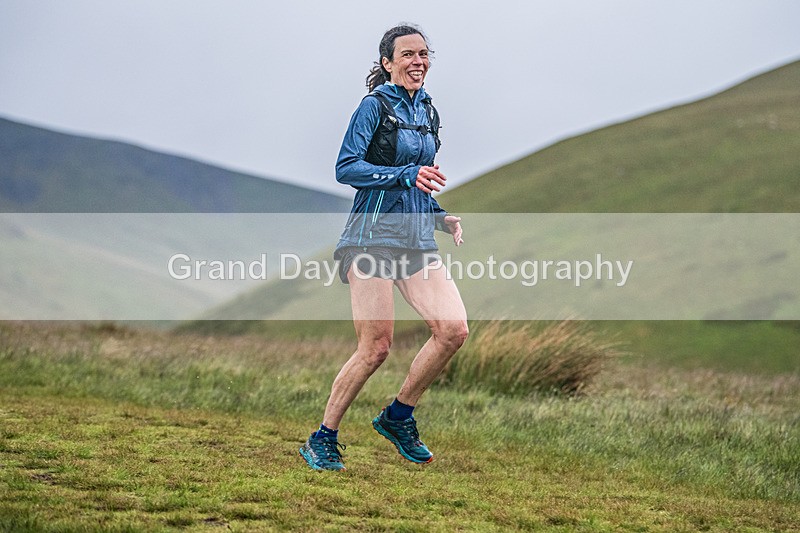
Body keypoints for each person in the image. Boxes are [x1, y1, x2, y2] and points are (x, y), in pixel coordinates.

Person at [299, 23, 469, 471]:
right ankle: (323, 438)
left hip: (416, 241)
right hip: (371, 238)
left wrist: (439, 215)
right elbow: (346, 167)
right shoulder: (372, 108)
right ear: (387, 63)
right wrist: (402, 175)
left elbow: (420, 181)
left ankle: (398, 416)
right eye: (407, 55)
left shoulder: (429, 112)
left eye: (424, 54)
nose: (418, 61)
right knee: (375, 347)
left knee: (453, 330)